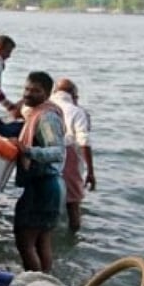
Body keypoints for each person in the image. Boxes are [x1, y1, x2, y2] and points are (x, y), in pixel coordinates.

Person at [9, 71, 65, 272]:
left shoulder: (46, 117)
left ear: (47, 94)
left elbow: (57, 151)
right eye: (26, 89)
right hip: (48, 185)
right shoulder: (36, 112)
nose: (28, 94)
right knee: (41, 240)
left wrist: (27, 150)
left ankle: (35, 285)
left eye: (36, 91)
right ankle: (46, 282)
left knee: (25, 240)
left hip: (43, 186)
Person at [50, 78, 95, 232]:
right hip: (68, 155)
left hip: (45, 154)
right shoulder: (77, 111)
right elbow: (84, 141)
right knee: (73, 203)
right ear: (73, 95)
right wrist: (90, 171)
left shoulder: (44, 106)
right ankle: (73, 235)